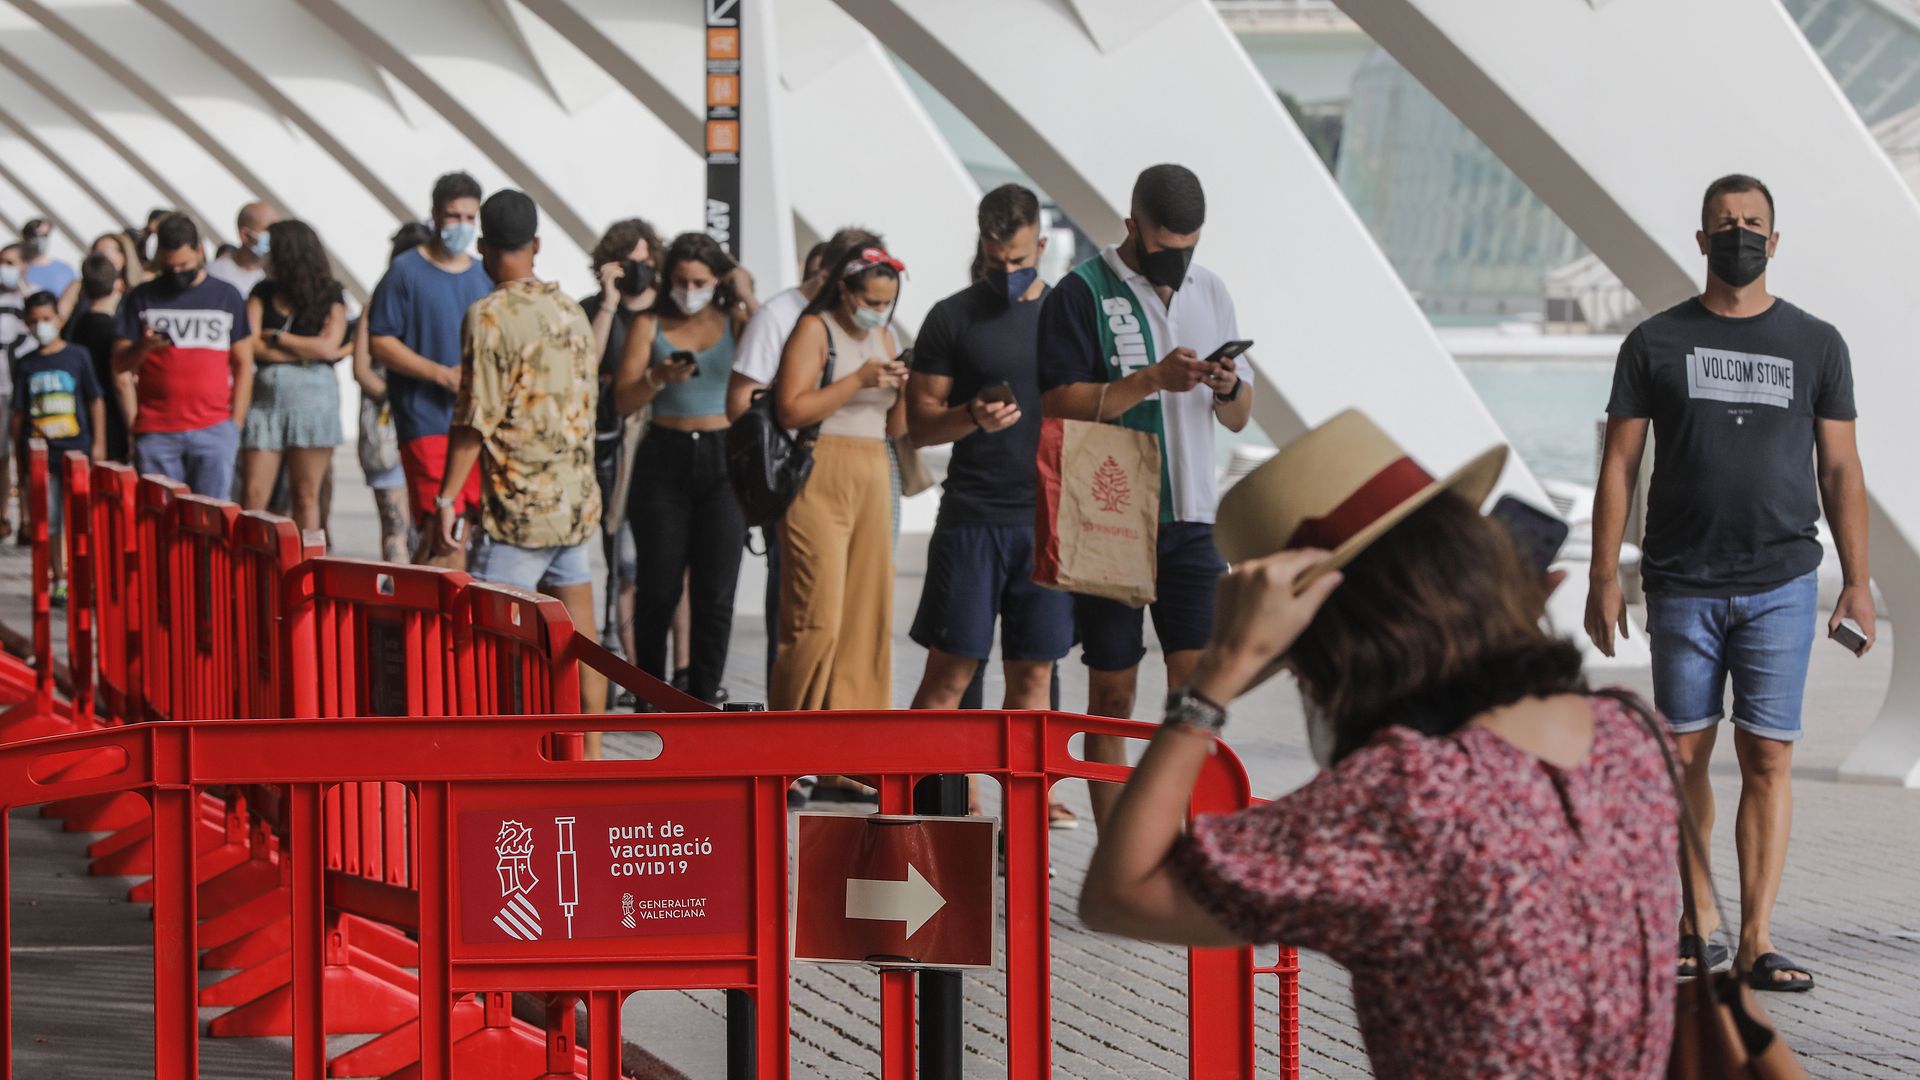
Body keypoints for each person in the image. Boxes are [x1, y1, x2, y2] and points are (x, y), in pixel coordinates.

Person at [1079, 412, 1678, 1078]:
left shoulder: (1407, 799)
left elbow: (1120, 891)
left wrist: (1219, 671)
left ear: (1341, 647)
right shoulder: (1634, 735)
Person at [1585, 174, 1873, 992]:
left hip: (1784, 578)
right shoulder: (1654, 341)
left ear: (1774, 242)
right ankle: (1694, 922)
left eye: (1754, 223)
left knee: (1768, 758)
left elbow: (1842, 467)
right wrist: (1606, 573)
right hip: (1682, 581)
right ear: (1702, 240)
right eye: (1725, 223)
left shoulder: (1818, 344)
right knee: (1682, 757)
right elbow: (1620, 463)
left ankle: (1756, 939)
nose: (1740, 233)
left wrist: (1857, 580)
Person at [1037, 164, 1255, 827]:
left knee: (1196, 693)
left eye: (1190, 247)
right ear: (1134, 227)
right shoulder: (1082, 292)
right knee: (1113, 690)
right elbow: (1055, 401)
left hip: (1193, 518)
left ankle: (1185, 840)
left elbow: (1242, 415)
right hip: (1112, 517)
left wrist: (1223, 386)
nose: (1179, 262)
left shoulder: (1210, 290)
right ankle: (1116, 855)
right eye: (1166, 247)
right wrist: (1150, 380)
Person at [906, 185, 1077, 827]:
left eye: (1019, 258)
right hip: (974, 517)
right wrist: (970, 416)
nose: (1008, 272)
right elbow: (919, 427)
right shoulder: (952, 317)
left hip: (1048, 524)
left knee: (1034, 681)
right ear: (981, 246)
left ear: (1040, 242)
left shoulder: (1070, 317)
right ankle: (922, 814)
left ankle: (1025, 824)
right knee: (950, 674)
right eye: (996, 259)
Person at [436, 189, 605, 722]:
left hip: (518, 511)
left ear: (484, 247)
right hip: (576, 504)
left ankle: (504, 759)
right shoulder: (571, 310)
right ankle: (592, 756)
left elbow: (474, 418)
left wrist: (446, 498)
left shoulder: (488, 316)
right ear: (536, 243)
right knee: (583, 642)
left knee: (494, 644)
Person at [771, 245, 910, 801]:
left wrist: (901, 382)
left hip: (874, 468)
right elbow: (791, 409)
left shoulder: (887, 335)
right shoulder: (816, 328)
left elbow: (896, 424)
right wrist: (859, 380)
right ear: (847, 291)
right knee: (815, 618)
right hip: (820, 468)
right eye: (872, 300)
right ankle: (783, 755)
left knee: (864, 620)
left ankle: (849, 759)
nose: (880, 310)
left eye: (889, 301)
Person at [612, 232, 758, 706]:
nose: (689, 289)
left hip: (723, 455)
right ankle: (650, 690)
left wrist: (744, 288)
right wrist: (658, 377)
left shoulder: (736, 320)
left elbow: (770, 350)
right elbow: (622, 399)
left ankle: (704, 690)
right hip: (665, 453)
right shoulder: (648, 324)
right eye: (680, 280)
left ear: (716, 279)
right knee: (658, 585)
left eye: (699, 280)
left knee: (716, 590)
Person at [729, 228, 877, 680]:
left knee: (852, 611)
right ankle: (791, 710)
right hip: (798, 476)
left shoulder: (868, 328)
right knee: (801, 611)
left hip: (860, 479)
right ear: (832, 274)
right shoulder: (783, 317)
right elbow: (741, 404)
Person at [368, 171, 492, 567]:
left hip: (474, 426)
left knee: (456, 531)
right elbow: (381, 341)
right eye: (454, 216)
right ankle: (432, 624)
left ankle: (410, 612)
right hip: (425, 422)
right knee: (445, 530)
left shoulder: (483, 275)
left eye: (470, 218)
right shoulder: (405, 272)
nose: (462, 226)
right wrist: (440, 374)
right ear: (435, 215)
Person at [111, 214, 253, 498]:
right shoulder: (141, 297)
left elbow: (243, 363)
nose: (176, 273)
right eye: (169, 266)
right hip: (157, 431)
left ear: (200, 251)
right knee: (159, 520)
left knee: (212, 518)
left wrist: (234, 423)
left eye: (184, 265)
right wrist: (144, 347)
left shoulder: (226, 296)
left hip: (214, 430)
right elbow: (119, 364)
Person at [581, 217, 662, 677]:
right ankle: (636, 669)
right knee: (625, 561)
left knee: (664, 563)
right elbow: (586, 365)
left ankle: (672, 666)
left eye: (645, 261)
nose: (638, 270)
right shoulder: (592, 310)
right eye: (627, 262)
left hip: (660, 447)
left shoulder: (668, 313)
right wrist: (609, 305)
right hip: (611, 449)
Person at [238, 220, 346, 533]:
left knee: (306, 494)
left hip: (314, 406)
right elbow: (252, 344)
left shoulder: (330, 293)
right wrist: (306, 349)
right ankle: (250, 567)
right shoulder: (262, 291)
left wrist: (280, 339)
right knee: (254, 495)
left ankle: (306, 569)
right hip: (267, 403)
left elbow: (329, 347)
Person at [10, 291, 104, 605]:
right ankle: (59, 580)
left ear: (60, 320)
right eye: (34, 321)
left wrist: (98, 444)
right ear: (26, 324)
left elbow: (95, 399)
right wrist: (20, 459)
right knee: (50, 521)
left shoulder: (78, 356)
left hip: (76, 453)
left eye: (47, 319)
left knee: (80, 519)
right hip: (41, 456)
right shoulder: (25, 364)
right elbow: (19, 414)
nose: (42, 326)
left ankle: (85, 578)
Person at [352, 222, 434, 563]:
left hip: (385, 430)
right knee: (419, 527)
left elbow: (361, 370)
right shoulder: (428, 300)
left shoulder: (377, 303)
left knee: (395, 527)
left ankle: (397, 599)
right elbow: (362, 370)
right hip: (413, 425)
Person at [65, 254, 135, 463]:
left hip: (78, 420)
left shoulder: (72, 328)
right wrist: (133, 430)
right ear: (118, 285)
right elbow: (121, 381)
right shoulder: (117, 333)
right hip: (113, 423)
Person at [0, 244, 32, 539]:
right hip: (1, 389)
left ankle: (27, 518)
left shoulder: (32, 299)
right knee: (2, 456)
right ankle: (3, 516)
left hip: (22, 389)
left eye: (10, 262)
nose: (4, 268)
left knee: (24, 456)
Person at [208, 201, 278, 298]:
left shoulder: (277, 276)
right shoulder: (214, 273)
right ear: (245, 235)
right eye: (268, 231)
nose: (276, 236)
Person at [21, 219, 76, 302]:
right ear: (25, 237)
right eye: (35, 235)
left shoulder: (64, 269)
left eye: (45, 235)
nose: (40, 239)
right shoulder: (19, 267)